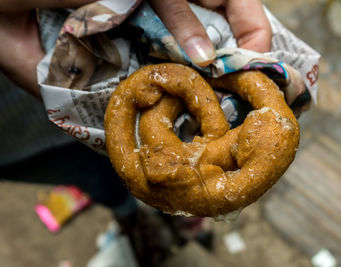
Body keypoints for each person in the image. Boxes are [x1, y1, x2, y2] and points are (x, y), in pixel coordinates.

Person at [0, 0, 271, 265]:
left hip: (40, 67)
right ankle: (132, 217)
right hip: (14, 140)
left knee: (163, 183)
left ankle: (178, 219)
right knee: (103, 180)